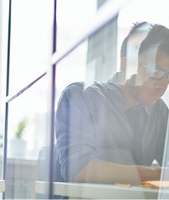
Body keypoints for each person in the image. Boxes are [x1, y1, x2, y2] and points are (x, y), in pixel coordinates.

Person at [55, 23, 169, 185]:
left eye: (168, 75)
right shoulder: (81, 97)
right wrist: (157, 173)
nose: (163, 84)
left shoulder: (160, 111)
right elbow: (79, 170)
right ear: (126, 65)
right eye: (156, 71)